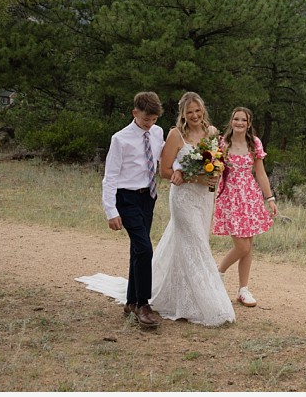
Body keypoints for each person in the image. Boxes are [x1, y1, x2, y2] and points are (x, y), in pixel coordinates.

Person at [147, 91, 235, 326]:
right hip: (183, 198)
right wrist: (192, 177)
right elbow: (165, 170)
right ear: (183, 114)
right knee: (196, 246)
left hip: (205, 198)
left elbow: (217, 162)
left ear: (203, 110)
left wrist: (215, 173)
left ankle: (179, 296)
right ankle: (209, 304)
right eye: (190, 112)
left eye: (198, 110)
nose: (195, 115)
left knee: (190, 245)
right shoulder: (176, 135)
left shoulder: (212, 132)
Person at [99, 91, 164, 329]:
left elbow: (164, 157)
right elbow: (110, 177)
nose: (150, 124)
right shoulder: (120, 139)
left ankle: (131, 302)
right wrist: (111, 211)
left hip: (149, 196)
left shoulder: (157, 133)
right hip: (126, 198)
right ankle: (143, 304)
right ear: (135, 113)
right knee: (145, 249)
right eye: (146, 119)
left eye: (154, 119)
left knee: (138, 249)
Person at [213, 106, 278, 307]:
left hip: (250, 197)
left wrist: (270, 198)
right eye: (236, 119)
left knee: (249, 245)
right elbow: (213, 171)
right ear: (231, 121)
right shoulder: (222, 144)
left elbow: (260, 173)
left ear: (249, 124)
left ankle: (243, 289)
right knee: (242, 246)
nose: (239, 123)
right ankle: (217, 275)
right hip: (230, 198)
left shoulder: (254, 143)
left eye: (244, 120)